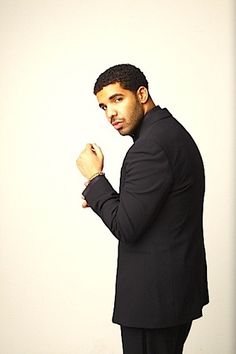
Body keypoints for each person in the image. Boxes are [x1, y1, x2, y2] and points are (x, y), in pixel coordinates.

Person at [76, 64, 209, 354]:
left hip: (153, 303)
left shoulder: (149, 148)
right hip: (170, 296)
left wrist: (95, 179)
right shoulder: (169, 133)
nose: (110, 113)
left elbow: (126, 226)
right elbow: (150, 209)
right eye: (103, 106)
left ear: (142, 93)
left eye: (117, 99)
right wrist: (104, 197)